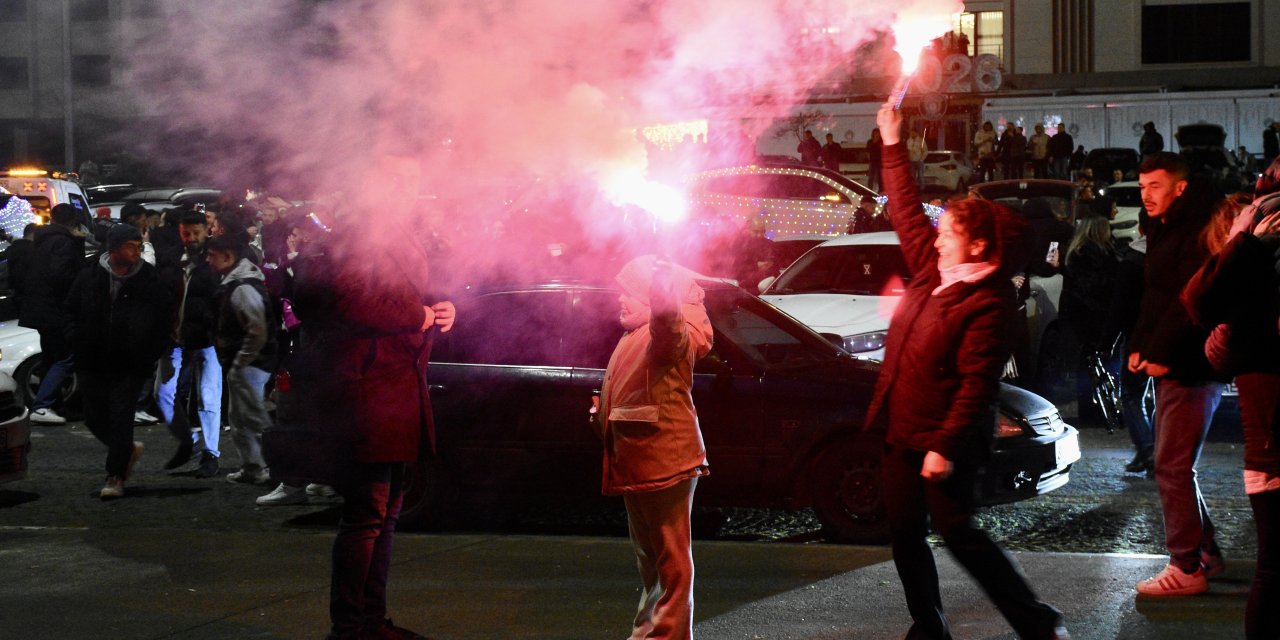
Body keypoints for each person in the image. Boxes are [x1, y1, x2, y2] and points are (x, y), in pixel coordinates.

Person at [867, 92, 1068, 640]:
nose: (937, 239)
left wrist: (943, 446)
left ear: (977, 246)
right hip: (902, 432)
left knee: (960, 534)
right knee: (905, 533)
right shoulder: (934, 272)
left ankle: (1037, 622)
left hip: (946, 440)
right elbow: (906, 211)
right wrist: (892, 143)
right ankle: (928, 626)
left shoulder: (989, 303)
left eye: (949, 234)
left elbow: (978, 385)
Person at [290, 219, 455, 640]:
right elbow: (353, 299)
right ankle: (350, 629)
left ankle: (370, 621)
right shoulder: (359, 230)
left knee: (383, 515)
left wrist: (440, 308)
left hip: (392, 390)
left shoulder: (400, 232)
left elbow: (403, 296)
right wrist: (418, 314)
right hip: (368, 392)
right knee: (366, 517)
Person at [1181, 157, 1280, 638]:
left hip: (1269, 446)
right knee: (1274, 573)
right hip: (1271, 449)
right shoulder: (1256, 259)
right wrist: (1249, 243)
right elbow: (1199, 304)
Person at [595, 254, 713, 640]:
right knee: (653, 563)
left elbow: (669, 328)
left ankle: (667, 635)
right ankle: (649, 632)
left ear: (652, 297)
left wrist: (663, 290)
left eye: (628, 292)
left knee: (670, 565)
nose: (620, 299)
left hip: (664, 459)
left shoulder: (664, 331)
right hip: (643, 460)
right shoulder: (636, 333)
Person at [1129, 152, 1228, 596]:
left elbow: (1189, 302)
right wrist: (1141, 345)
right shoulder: (1165, 227)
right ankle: (1204, 553)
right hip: (1174, 363)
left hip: (1191, 366)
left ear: (1180, 187)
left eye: (1155, 186)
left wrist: (1159, 352)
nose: (1146, 195)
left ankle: (1187, 566)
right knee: (1173, 465)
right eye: (1142, 187)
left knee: (1171, 466)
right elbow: (1155, 297)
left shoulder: (1195, 231)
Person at [65, 224, 177, 498]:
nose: (136, 252)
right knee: (93, 416)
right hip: (93, 358)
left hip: (130, 362)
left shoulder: (149, 279)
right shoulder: (90, 276)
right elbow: (70, 311)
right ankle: (125, 450)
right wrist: (75, 339)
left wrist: (151, 351)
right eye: (130, 246)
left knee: (121, 416)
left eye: (139, 246)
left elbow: (164, 319)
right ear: (114, 249)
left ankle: (115, 475)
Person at [206, 235, 278, 485]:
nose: (208, 260)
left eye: (212, 255)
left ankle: (274, 469)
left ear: (228, 257)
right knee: (240, 417)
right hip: (246, 362)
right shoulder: (237, 283)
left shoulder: (242, 287)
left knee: (254, 417)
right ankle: (253, 466)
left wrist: (241, 361)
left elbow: (257, 330)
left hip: (250, 364)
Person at [157, 210, 224, 477]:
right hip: (174, 338)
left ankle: (210, 453)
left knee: (208, 397)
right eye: (186, 233)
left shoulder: (215, 259)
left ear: (206, 231)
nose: (191, 238)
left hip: (207, 340)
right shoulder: (171, 259)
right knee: (162, 395)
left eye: (196, 232)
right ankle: (191, 441)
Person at [20, 203, 87, 424]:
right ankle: (42, 406)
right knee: (66, 357)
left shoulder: (39, 241)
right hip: (55, 310)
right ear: (73, 222)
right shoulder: (63, 242)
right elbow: (64, 275)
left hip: (38, 309)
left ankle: (54, 406)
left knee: (51, 357)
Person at [1060, 212, 1119, 425]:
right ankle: (1096, 410)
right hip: (1093, 315)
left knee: (1088, 363)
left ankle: (1093, 408)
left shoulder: (1076, 254)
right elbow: (1096, 287)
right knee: (1096, 363)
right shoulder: (1095, 255)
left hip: (1081, 316)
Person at [1107, 213, 1155, 474]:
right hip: (1165, 334)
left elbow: (1120, 306)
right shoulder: (1174, 255)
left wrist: (1108, 339)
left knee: (1132, 395)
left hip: (1138, 335)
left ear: (1141, 229)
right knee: (1161, 396)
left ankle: (1147, 448)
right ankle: (1153, 449)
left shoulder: (1133, 259)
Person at [3, 222, 36, 314]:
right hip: (31, 295)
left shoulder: (12, 250)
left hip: (14, 294)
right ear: (33, 234)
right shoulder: (32, 250)